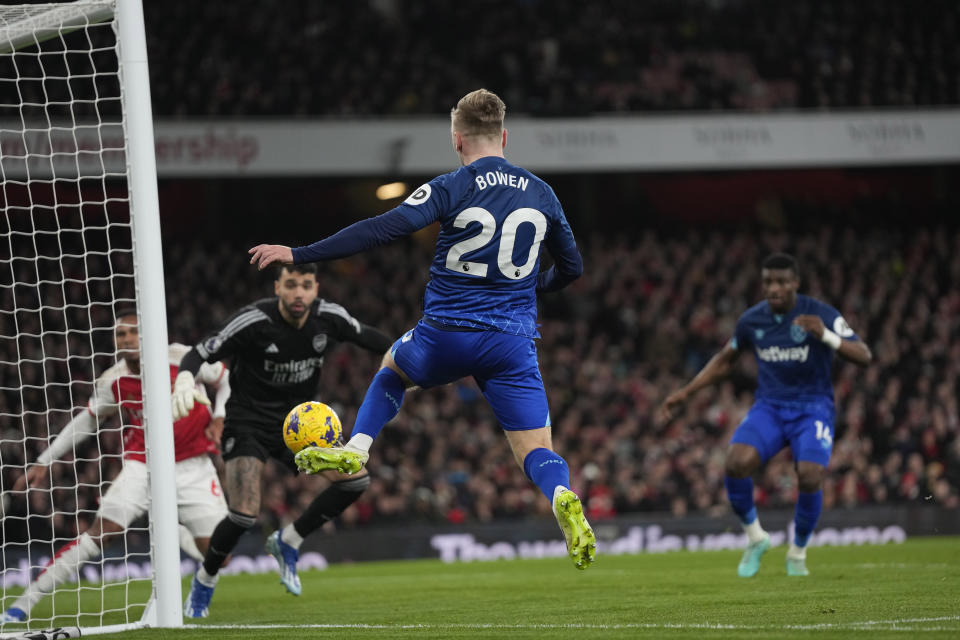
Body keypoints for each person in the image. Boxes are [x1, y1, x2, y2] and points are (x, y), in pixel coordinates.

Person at [249, 88, 596, 572]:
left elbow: (381, 229)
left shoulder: (452, 185)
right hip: (512, 341)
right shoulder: (542, 192)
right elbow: (573, 268)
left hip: (447, 332)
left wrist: (299, 253)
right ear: (505, 135)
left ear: (457, 140)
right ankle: (561, 492)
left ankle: (356, 448)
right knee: (536, 449)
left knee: (392, 371)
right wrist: (534, 286)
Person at [174, 262, 393, 618]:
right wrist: (185, 377)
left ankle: (288, 540)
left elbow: (369, 337)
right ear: (277, 288)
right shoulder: (253, 321)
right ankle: (205, 578)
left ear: (316, 288)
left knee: (357, 480)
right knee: (244, 514)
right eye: (291, 285)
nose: (298, 293)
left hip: (297, 427)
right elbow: (201, 351)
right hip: (247, 421)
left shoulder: (328, 318)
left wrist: (415, 359)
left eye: (306, 285)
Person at [1, 311, 230, 624]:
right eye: (121, 334)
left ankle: (171, 526)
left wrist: (219, 415)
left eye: (134, 332)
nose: (128, 339)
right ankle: (23, 605)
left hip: (193, 464)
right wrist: (45, 460)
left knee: (221, 556)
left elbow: (226, 377)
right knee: (99, 534)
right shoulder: (114, 379)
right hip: (142, 463)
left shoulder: (181, 357)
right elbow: (87, 420)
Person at [658, 253, 872, 577]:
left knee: (811, 474)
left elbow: (864, 355)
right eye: (769, 281)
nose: (774, 288)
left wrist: (826, 335)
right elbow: (724, 360)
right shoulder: (752, 321)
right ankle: (756, 539)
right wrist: (687, 392)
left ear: (795, 283)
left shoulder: (820, 314)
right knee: (735, 462)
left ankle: (797, 553)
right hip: (770, 407)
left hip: (812, 407)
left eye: (782, 282)